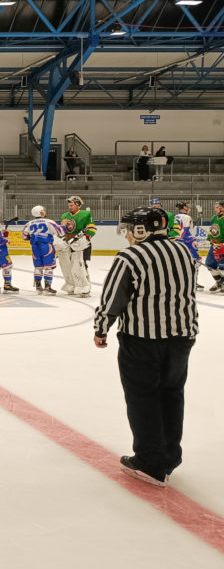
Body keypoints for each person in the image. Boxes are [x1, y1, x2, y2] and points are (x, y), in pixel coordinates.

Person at [94, 205, 198, 488]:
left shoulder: (130, 256)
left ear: (142, 230)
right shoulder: (184, 251)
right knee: (172, 395)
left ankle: (150, 462)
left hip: (142, 339)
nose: (127, 234)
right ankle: (169, 458)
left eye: (130, 229)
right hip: (182, 337)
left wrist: (101, 328)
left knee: (143, 397)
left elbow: (113, 297)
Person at [21, 205, 64, 295]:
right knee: (48, 267)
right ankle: (47, 288)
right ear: (40, 212)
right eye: (43, 211)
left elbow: (24, 236)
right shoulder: (49, 221)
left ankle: (38, 287)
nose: (44, 212)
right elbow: (60, 232)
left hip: (35, 247)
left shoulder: (29, 224)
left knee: (38, 267)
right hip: (46, 246)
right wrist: (64, 226)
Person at [60, 195, 96, 296]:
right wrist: (62, 226)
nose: (69, 207)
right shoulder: (64, 216)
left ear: (78, 205)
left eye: (72, 205)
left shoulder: (86, 214)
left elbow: (92, 228)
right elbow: (61, 232)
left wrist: (86, 238)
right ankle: (72, 285)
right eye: (69, 205)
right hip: (68, 243)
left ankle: (85, 286)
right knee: (67, 265)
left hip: (81, 243)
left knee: (81, 264)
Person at [173, 202, 204, 289]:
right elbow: (185, 231)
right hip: (186, 242)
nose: (189, 208)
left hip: (177, 242)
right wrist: (192, 241)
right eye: (187, 206)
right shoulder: (187, 217)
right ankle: (193, 282)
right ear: (183, 208)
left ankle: (179, 282)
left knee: (179, 262)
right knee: (197, 261)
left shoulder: (175, 216)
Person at [205, 201, 224, 293]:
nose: (215, 209)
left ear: (222, 208)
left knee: (222, 266)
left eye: (217, 207)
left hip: (222, 246)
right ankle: (219, 282)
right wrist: (210, 238)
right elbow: (212, 230)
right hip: (214, 246)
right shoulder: (214, 217)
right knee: (209, 264)